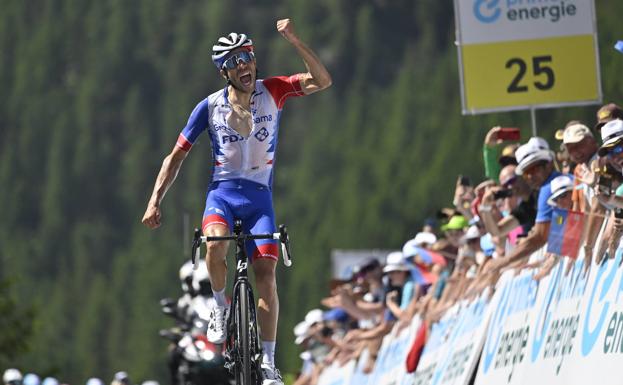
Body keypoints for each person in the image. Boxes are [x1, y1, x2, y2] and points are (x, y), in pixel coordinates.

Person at [142, 19, 331, 384]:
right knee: (214, 244)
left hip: (260, 200)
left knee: (266, 278)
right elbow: (175, 157)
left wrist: (294, 38)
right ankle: (219, 306)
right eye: (233, 61)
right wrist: (154, 202)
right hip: (223, 195)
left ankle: (269, 361)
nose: (242, 65)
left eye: (246, 56)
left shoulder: (273, 91)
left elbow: (322, 81)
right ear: (223, 71)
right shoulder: (209, 107)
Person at [488, 137, 561, 271]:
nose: (530, 176)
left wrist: (504, 261)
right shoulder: (544, 189)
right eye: (526, 172)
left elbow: (539, 237)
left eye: (535, 169)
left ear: (549, 164)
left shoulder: (547, 188)